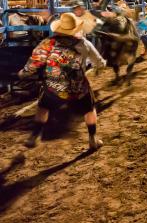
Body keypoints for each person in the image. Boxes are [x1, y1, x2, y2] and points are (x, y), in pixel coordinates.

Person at [18, 13, 106, 150]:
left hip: (53, 87)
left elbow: (35, 61)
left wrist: (24, 72)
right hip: (77, 89)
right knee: (89, 109)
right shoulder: (84, 43)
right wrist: (100, 64)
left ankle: (33, 136)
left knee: (43, 107)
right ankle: (93, 139)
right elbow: (99, 63)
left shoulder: (48, 42)